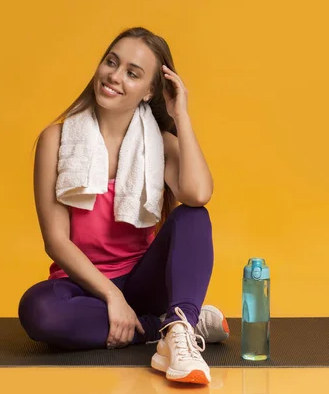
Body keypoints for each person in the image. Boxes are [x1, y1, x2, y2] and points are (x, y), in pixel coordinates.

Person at [19, 26, 229, 385]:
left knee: (193, 216)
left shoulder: (160, 144)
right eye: (111, 63)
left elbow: (198, 194)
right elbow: (56, 241)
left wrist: (182, 116)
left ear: (150, 91)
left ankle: (178, 328)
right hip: (83, 287)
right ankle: (162, 326)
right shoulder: (55, 139)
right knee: (38, 310)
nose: (114, 77)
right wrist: (112, 296)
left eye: (132, 73)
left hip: (145, 282)